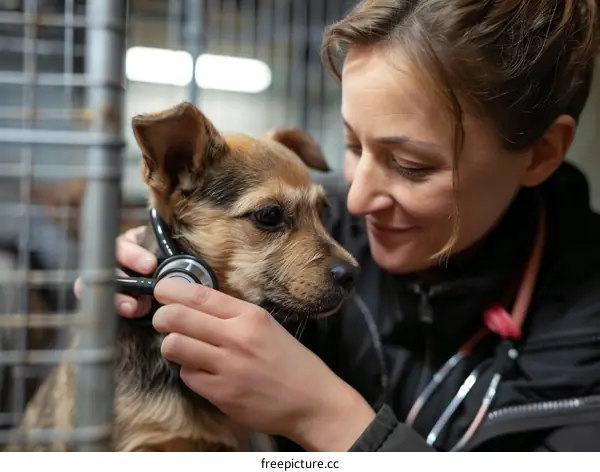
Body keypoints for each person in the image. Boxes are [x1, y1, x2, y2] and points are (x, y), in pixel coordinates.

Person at [76, 0, 600, 452]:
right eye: (353, 145)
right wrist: (145, 262)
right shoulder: (341, 242)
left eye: (411, 165)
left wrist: (324, 417)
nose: (357, 198)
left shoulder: (583, 322)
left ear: (541, 153)